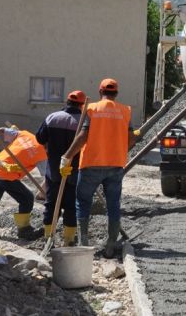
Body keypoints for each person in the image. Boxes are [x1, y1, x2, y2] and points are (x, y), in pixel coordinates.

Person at [62, 79, 136, 257]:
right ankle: (110, 245)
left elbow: (83, 135)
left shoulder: (92, 108)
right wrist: (119, 149)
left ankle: (84, 244)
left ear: (100, 91)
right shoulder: (125, 110)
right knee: (113, 204)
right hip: (115, 165)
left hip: (91, 164)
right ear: (116, 93)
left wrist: (67, 156)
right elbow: (132, 138)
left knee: (83, 202)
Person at [36, 90, 86, 246]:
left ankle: (48, 238)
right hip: (74, 170)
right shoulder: (84, 122)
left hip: (54, 170)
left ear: (67, 101)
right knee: (71, 205)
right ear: (82, 104)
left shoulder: (52, 117)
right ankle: (69, 240)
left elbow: (40, 138)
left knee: (51, 204)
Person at [0, 127, 47, 238]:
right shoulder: (42, 155)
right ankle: (24, 230)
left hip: (2, 171)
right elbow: (48, 176)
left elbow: (5, 131)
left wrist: (3, 130)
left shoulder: (26, 134)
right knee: (26, 198)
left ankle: (24, 229)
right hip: (3, 174)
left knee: (23, 197)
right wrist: (46, 194)